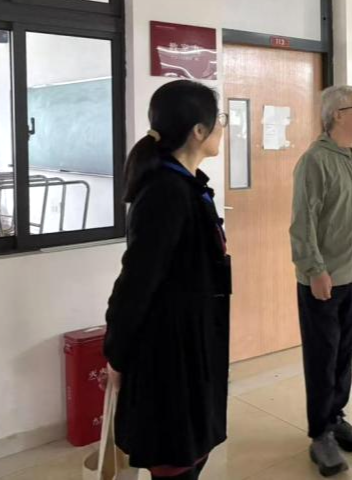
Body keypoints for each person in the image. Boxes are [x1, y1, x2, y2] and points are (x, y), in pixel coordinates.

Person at [103, 80, 231, 480]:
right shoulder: (165, 192)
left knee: (191, 448)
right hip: (169, 352)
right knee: (175, 456)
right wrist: (116, 354)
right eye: (219, 120)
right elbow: (135, 283)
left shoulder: (188, 184)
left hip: (192, 340)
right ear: (198, 131)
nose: (223, 127)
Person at [290, 85, 352, 477]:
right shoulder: (314, 161)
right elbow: (303, 222)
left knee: (344, 354)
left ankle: (336, 416)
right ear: (338, 115)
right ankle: (320, 434)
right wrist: (315, 270)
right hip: (323, 280)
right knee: (321, 357)